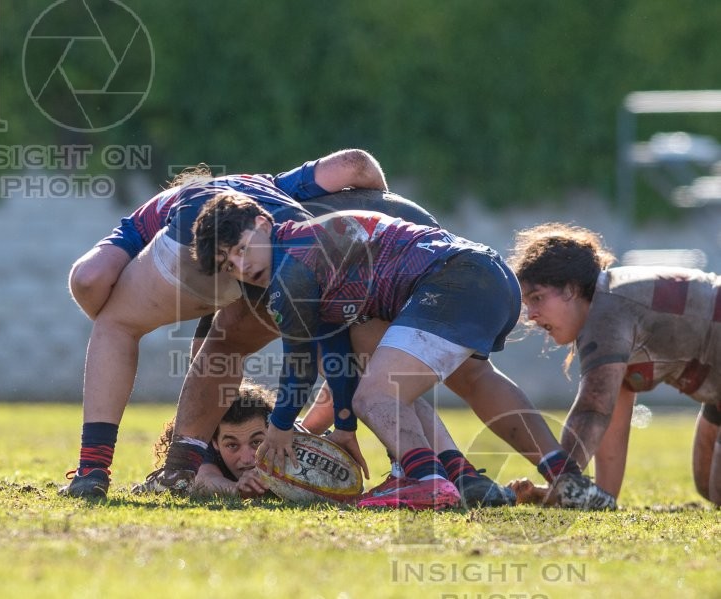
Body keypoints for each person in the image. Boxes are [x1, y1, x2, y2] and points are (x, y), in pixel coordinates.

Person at [189, 195, 617, 510]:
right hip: (488, 277)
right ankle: (567, 480)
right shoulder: (305, 250)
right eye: (228, 264)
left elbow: (300, 359)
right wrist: (343, 426)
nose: (241, 267)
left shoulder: (292, 270)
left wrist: (281, 424)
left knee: (376, 395)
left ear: (264, 224)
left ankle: (423, 478)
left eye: (242, 249)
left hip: (450, 281)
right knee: (471, 379)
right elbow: (336, 347)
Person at [60, 149, 416, 498]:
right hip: (288, 255)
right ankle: (414, 466)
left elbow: (90, 280)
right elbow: (355, 163)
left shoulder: (168, 203)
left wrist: (118, 324)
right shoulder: (272, 185)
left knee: (115, 321)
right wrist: (377, 207)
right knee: (334, 353)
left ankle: (99, 469)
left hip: (192, 235)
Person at [506, 223, 721, 506]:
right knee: (707, 484)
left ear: (571, 289)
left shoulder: (606, 310)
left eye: (537, 298)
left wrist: (560, 485)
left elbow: (592, 407)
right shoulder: (611, 316)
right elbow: (609, 415)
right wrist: (601, 498)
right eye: (527, 303)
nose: (531, 315)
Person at [153, 380, 274, 499]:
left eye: (256, 443)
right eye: (232, 445)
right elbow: (204, 478)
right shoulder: (203, 441)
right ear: (215, 442)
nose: (246, 459)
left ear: (271, 434)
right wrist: (237, 489)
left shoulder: (285, 438)